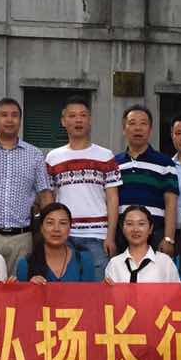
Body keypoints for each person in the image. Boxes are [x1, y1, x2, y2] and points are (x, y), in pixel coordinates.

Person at [0, 97, 54, 271]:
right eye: (4, 115)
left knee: (19, 286)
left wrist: (48, 229)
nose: (9, 119)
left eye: (14, 115)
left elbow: (45, 195)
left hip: (22, 239)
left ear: (20, 120)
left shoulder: (34, 154)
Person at [44, 96, 119, 282]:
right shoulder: (53, 157)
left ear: (90, 120)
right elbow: (49, 200)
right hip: (64, 236)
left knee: (97, 291)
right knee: (65, 290)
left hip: (98, 236)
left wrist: (110, 236)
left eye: (83, 115)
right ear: (63, 121)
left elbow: (113, 199)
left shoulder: (105, 156)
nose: (78, 120)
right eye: (72, 116)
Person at [113, 104, 178, 257]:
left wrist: (169, 238)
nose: (138, 128)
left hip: (155, 235)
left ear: (150, 129)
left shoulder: (165, 163)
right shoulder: (114, 163)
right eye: (132, 123)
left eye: (143, 123)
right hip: (122, 236)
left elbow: (171, 203)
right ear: (124, 129)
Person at [14, 202, 95, 283]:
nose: (56, 229)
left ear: (70, 228)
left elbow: (90, 291)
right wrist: (30, 286)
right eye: (50, 223)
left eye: (63, 223)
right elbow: (22, 291)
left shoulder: (84, 260)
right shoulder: (26, 264)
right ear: (41, 228)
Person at [104, 205, 179, 284]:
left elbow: (176, 291)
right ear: (123, 228)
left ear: (150, 228)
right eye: (129, 224)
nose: (135, 229)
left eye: (141, 224)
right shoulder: (114, 264)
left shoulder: (165, 262)